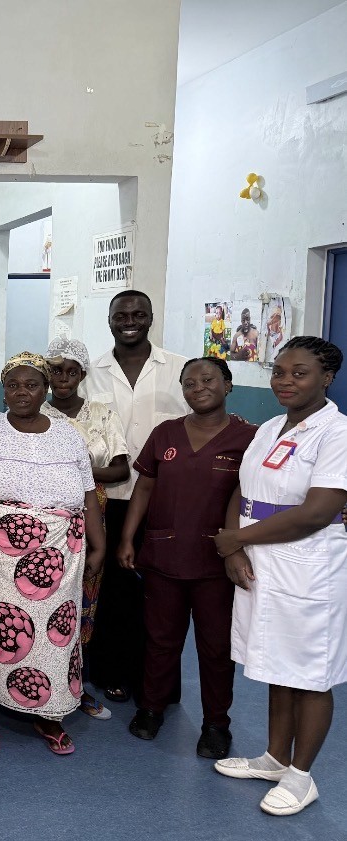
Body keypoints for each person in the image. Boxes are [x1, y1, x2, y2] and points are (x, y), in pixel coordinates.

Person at [0, 352, 105, 755]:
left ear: (45, 388)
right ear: (3, 390)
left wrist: (99, 543)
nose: (22, 392)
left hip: (57, 557)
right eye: (13, 385)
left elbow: (87, 497)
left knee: (55, 636)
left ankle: (47, 714)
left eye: (31, 384)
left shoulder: (68, 436)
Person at [213, 336, 347, 816]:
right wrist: (233, 540)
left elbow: (318, 512)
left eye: (299, 373)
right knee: (276, 664)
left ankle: (301, 775)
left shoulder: (337, 433)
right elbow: (243, 490)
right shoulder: (269, 427)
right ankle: (274, 758)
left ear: (327, 377)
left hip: (308, 563)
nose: (284, 381)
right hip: (262, 559)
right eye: (279, 372)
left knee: (311, 672)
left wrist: (238, 541)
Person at [117, 357, 256, 758]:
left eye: (208, 379)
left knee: (215, 647)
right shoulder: (166, 433)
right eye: (189, 383)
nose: (198, 388)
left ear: (228, 385)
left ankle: (216, 723)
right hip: (163, 555)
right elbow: (144, 487)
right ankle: (151, 708)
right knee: (161, 639)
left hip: (218, 561)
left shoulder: (250, 437)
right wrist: (128, 537)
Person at [84, 290, 189, 704]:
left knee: (163, 594)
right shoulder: (91, 372)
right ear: (110, 320)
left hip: (163, 501)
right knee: (111, 591)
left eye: (138, 314)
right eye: (121, 315)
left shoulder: (179, 370)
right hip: (106, 499)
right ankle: (111, 671)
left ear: (150, 318)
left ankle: (158, 681)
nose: (130, 321)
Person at [41, 337, 131, 720]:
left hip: (92, 513)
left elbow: (121, 469)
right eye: (55, 370)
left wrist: (77, 469)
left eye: (71, 371)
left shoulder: (101, 413)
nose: (63, 378)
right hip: (47, 520)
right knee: (46, 597)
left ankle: (75, 685)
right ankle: (45, 680)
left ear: (82, 374)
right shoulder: (35, 411)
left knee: (85, 598)